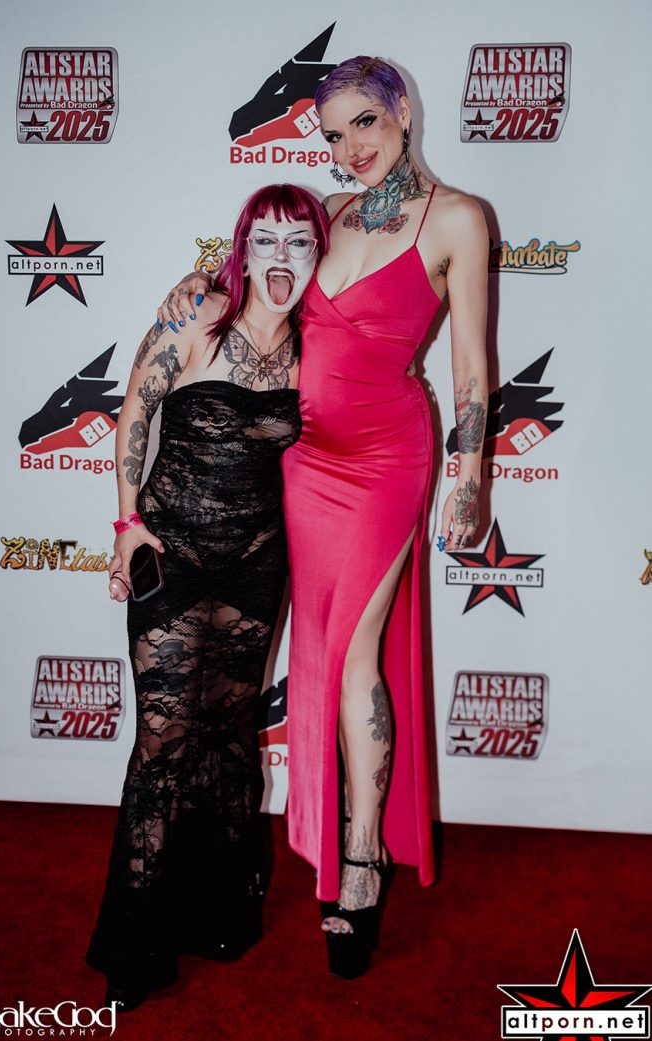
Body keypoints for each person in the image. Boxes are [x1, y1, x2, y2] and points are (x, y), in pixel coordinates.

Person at [158, 56, 489, 979]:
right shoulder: (329, 214)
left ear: (402, 110)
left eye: (363, 124)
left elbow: (471, 364)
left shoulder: (457, 218)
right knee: (315, 653)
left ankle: (364, 856)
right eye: (334, 135)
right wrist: (200, 286)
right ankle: (329, 833)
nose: (350, 148)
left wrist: (470, 476)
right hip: (300, 463)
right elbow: (261, 290)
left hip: (387, 461)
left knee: (353, 657)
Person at [85, 184, 329, 1011]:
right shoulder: (196, 316)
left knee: (228, 737)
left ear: (317, 254)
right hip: (172, 555)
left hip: (258, 563)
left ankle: (220, 914)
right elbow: (133, 411)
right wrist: (126, 523)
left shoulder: (316, 347)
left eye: (300, 241)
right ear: (242, 249)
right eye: (266, 239)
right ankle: (135, 946)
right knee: (163, 742)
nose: (282, 256)